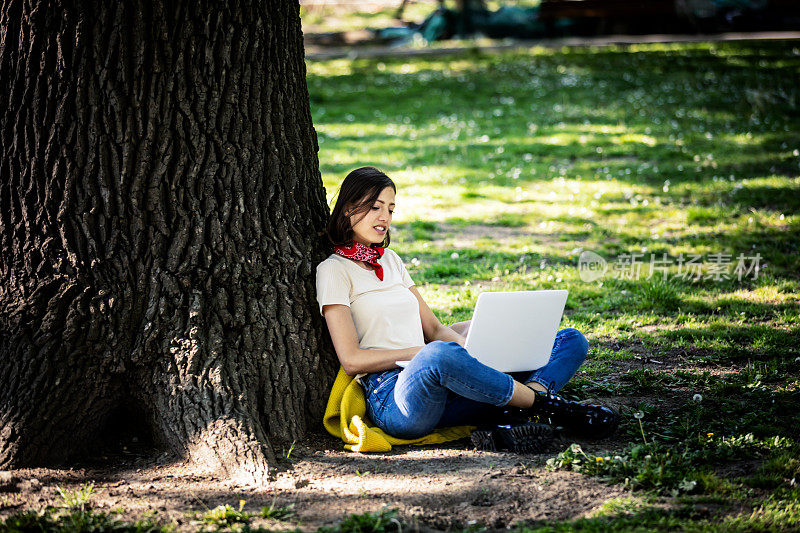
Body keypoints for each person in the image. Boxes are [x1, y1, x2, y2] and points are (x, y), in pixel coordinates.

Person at [316, 166, 617, 452]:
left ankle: (520, 407)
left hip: (444, 385)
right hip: (395, 399)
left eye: (391, 209)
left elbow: (433, 329)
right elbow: (352, 360)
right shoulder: (333, 270)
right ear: (348, 207)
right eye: (375, 207)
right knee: (438, 354)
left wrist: (471, 346)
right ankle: (550, 407)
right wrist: (420, 354)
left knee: (569, 339)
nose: (385, 217)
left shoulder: (391, 260)